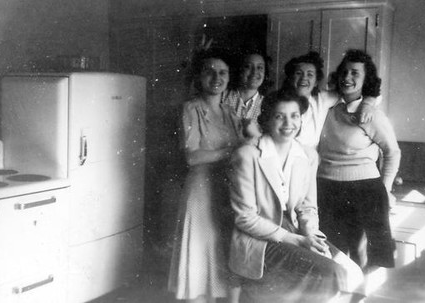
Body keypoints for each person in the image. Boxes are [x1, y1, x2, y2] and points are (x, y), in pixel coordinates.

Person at [228, 89, 365, 303]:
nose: (288, 123)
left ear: (301, 119)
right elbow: (245, 218)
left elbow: (307, 208)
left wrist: (309, 235)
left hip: (295, 230)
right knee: (330, 273)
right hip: (259, 239)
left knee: (354, 274)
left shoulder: (308, 155)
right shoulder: (247, 155)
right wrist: (296, 240)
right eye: (279, 116)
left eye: (294, 116)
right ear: (266, 119)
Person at [168, 48, 244, 303]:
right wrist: (230, 150)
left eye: (222, 72)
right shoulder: (190, 109)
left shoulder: (231, 114)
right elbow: (192, 157)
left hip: (226, 191)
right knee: (198, 261)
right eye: (209, 72)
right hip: (200, 191)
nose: (216, 78)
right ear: (199, 77)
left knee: (219, 262)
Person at [317, 49, 401, 275]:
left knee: (367, 254)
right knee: (334, 251)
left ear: (366, 80)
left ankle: (360, 296)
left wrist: (384, 188)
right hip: (326, 188)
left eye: (355, 73)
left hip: (365, 189)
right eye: (344, 72)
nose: (347, 77)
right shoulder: (327, 108)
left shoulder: (371, 115)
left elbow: (392, 152)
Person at [280, 51, 378, 148]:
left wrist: (367, 104)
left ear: (316, 82)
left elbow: (360, 93)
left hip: (310, 161)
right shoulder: (279, 102)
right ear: (291, 78)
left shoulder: (322, 100)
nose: (303, 78)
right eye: (298, 73)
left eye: (310, 74)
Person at [222, 51, 269, 139]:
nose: (254, 72)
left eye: (260, 67)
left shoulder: (268, 104)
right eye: (248, 66)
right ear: (240, 69)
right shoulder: (223, 97)